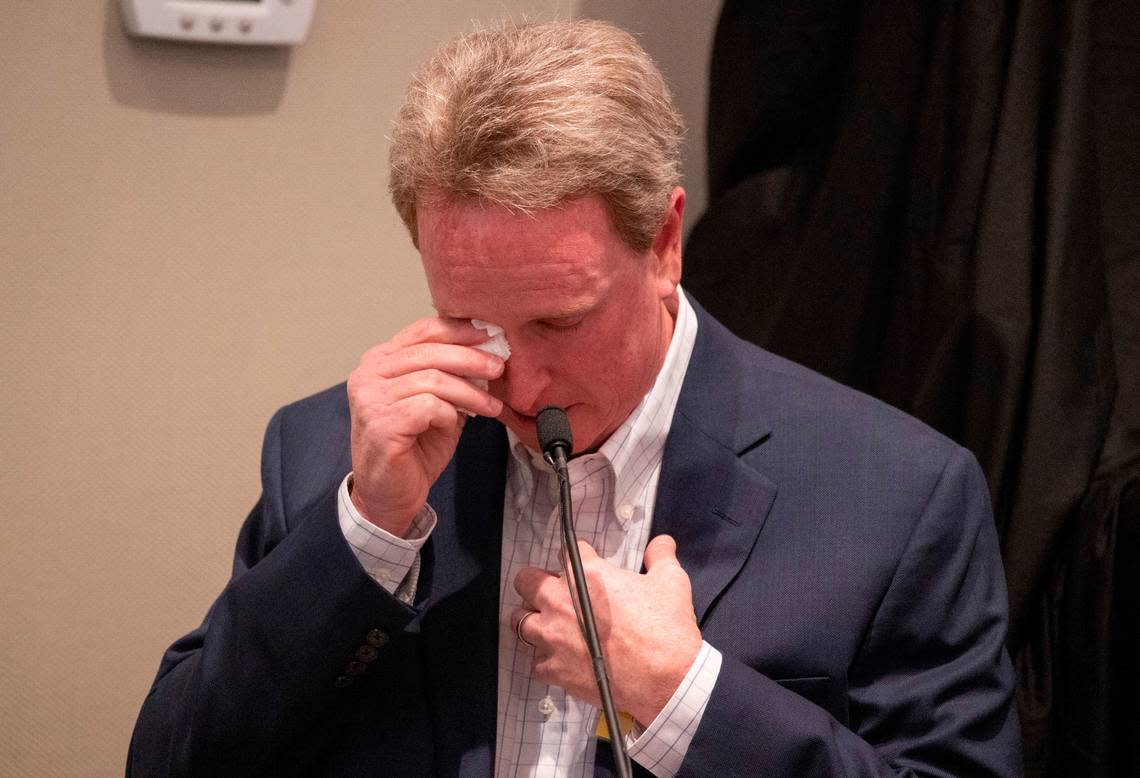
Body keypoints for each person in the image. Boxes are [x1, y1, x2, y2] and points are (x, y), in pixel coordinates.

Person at [128, 20, 1021, 777]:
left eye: (559, 322)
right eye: (469, 317)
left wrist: (685, 700)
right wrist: (366, 533)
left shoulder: (901, 495)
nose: (515, 383)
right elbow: (172, 760)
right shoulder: (333, 450)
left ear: (665, 244)